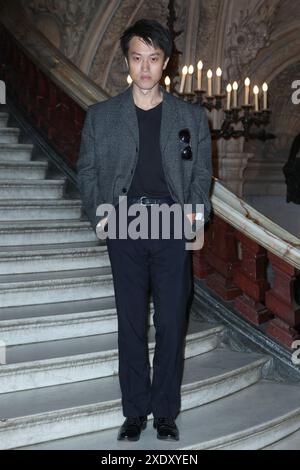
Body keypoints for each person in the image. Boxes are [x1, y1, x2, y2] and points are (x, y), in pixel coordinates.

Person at [77, 18, 212, 442]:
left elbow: (201, 174)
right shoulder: (101, 117)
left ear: (165, 63)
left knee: (172, 321)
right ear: (127, 63)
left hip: (171, 224)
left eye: (154, 58)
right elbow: (87, 170)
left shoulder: (190, 116)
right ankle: (135, 411)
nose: (146, 67)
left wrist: (194, 216)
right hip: (126, 222)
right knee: (131, 322)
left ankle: (165, 412)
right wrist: (100, 212)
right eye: (138, 58)